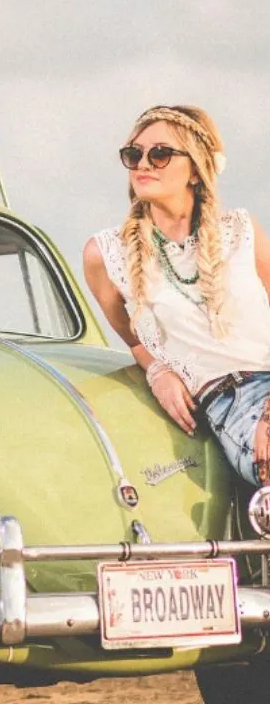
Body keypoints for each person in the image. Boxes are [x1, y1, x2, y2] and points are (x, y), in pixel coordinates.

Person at [83, 104, 270, 488]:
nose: (143, 164)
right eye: (134, 155)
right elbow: (133, 338)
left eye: (160, 153)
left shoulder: (241, 230)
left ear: (197, 169)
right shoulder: (106, 254)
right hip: (229, 399)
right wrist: (158, 371)